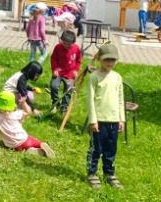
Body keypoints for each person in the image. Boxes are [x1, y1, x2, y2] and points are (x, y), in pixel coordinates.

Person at [86, 41, 125, 190]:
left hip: (113, 120)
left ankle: (109, 173)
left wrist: (121, 119)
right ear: (99, 59)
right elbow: (90, 100)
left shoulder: (117, 77)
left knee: (111, 149)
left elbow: (120, 99)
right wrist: (93, 120)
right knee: (96, 149)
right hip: (99, 121)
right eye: (106, 59)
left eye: (112, 60)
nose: (109, 63)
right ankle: (92, 173)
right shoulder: (94, 77)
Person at [0, 91, 56, 158]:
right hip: (24, 139)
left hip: (12, 145)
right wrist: (24, 103)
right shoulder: (15, 114)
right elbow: (28, 112)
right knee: (33, 141)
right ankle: (40, 144)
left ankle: (31, 151)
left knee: (21, 148)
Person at [49, 29, 82, 113]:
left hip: (70, 73)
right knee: (53, 86)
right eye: (65, 43)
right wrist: (54, 69)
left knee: (68, 89)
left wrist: (76, 70)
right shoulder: (58, 47)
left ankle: (64, 107)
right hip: (59, 72)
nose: (66, 45)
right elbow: (53, 59)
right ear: (61, 40)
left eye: (69, 44)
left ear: (73, 42)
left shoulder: (76, 49)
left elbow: (78, 60)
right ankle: (56, 103)